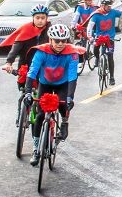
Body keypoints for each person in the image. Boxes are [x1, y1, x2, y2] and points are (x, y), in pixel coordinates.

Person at [26, 24, 82, 165]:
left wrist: (70, 97)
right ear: (50, 39)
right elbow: (32, 72)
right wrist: (27, 93)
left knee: (63, 104)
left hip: (63, 84)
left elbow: (72, 76)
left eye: (64, 41)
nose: (60, 44)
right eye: (57, 41)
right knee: (40, 115)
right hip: (45, 83)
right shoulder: (41, 52)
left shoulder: (72, 53)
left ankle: (65, 122)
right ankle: (36, 149)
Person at [0, 4, 50, 92]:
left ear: (46, 18)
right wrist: (9, 62)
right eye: (37, 18)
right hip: (26, 63)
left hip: (45, 64)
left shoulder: (50, 30)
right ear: (33, 18)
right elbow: (16, 47)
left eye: (43, 18)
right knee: (24, 89)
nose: (40, 20)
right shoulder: (26, 29)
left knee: (44, 92)